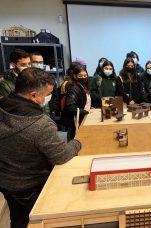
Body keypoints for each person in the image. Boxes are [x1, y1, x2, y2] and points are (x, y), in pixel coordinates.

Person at [0, 67, 81, 228]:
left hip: (6, 181)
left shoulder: (3, 107)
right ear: (34, 95)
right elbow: (61, 156)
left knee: (18, 219)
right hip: (32, 185)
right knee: (38, 220)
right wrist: (77, 143)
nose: (49, 98)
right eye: (47, 94)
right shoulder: (40, 124)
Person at [60, 62, 90, 140]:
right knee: (75, 140)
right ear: (75, 76)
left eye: (85, 75)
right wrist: (86, 112)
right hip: (75, 121)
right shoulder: (73, 88)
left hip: (82, 118)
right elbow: (70, 106)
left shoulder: (84, 86)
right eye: (80, 76)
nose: (83, 78)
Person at [30, 52, 60, 117]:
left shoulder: (49, 77)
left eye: (40, 62)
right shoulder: (27, 78)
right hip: (33, 113)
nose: (38, 64)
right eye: (35, 62)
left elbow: (54, 96)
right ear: (30, 63)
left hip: (49, 112)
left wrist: (53, 109)